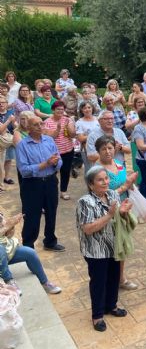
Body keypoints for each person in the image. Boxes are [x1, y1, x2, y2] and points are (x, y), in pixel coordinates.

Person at [76, 165, 132, 331]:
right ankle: (97, 315)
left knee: (114, 276)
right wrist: (109, 215)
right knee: (99, 282)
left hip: (114, 245)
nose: (105, 182)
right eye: (100, 180)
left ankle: (111, 306)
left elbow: (119, 219)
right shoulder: (85, 202)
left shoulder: (113, 194)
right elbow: (87, 228)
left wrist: (122, 212)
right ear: (91, 184)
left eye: (106, 178)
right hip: (95, 249)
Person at [95, 135, 139, 290]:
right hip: (107, 211)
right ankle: (110, 279)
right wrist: (125, 186)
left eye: (110, 148)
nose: (108, 152)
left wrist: (131, 185)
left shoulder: (119, 164)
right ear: (98, 151)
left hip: (123, 209)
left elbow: (125, 183)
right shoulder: (96, 170)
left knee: (122, 242)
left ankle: (120, 278)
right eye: (103, 149)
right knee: (109, 245)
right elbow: (100, 194)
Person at [16, 116, 65, 251]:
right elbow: (24, 170)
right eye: (36, 124)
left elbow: (59, 159)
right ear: (28, 128)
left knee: (51, 212)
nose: (40, 126)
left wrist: (55, 164)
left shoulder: (49, 140)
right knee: (31, 215)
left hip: (50, 181)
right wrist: (45, 164)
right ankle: (28, 247)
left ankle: (50, 241)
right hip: (32, 185)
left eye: (41, 123)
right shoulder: (22, 145)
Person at [0, 211, 62, 295]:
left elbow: (8, 236)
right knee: (0, 250)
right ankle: (9, 281)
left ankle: (45, 282)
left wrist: (11, 226)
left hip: (7, 250)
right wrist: (7, 226)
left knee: (30, 253)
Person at [43, 101, 76, 200]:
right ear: (53, 110)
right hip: (54, 152)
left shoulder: (67, 120)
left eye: (62, 109)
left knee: (65, 172)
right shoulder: (47, 122)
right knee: (52, 173)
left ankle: (63, 191)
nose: (60, 111)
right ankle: (50, 191)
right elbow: (50, 137)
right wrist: (57, 129)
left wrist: (71, 125)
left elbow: (73, 135)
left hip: (68, 150)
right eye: (58, 109)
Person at [76, 101, 101, 171]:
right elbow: (81, 138)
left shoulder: (98, 120)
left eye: (89, 107)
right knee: (90, 170)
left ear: (92, 108)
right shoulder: (79, 122)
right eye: (85, 108)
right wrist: (95, 134)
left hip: (100, 148)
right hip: (86, 149)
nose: (87, 109)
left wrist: (87, 136)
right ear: (81, 110)